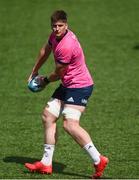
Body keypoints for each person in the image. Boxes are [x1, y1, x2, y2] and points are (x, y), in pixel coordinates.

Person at [25, 10, 109, 179]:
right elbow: (45, 50)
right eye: (54, 26)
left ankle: (98, 159)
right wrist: (34, 71)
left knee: (69, 125)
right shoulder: (55, 36)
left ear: (66, 25)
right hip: (68, 84)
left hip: (80, 86)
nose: (57, 29)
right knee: (48, 116)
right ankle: (46, 163)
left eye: (60, 26)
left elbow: (58, 73)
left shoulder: (66, 46)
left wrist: (44, 80)